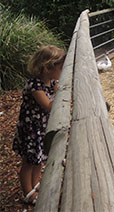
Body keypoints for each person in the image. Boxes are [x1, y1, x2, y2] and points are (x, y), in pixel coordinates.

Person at [12, 45, 65, 205]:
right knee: (29, 161)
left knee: (38, 158)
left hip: (40, 127)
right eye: (60, 68)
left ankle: (35, 185)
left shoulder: (49, 81)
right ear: (48, 67)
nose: (62, 72)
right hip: (31, 129)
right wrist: (59, 93)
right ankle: (27, 192)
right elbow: (48, 106)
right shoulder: (35, 85)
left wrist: (57, 88)